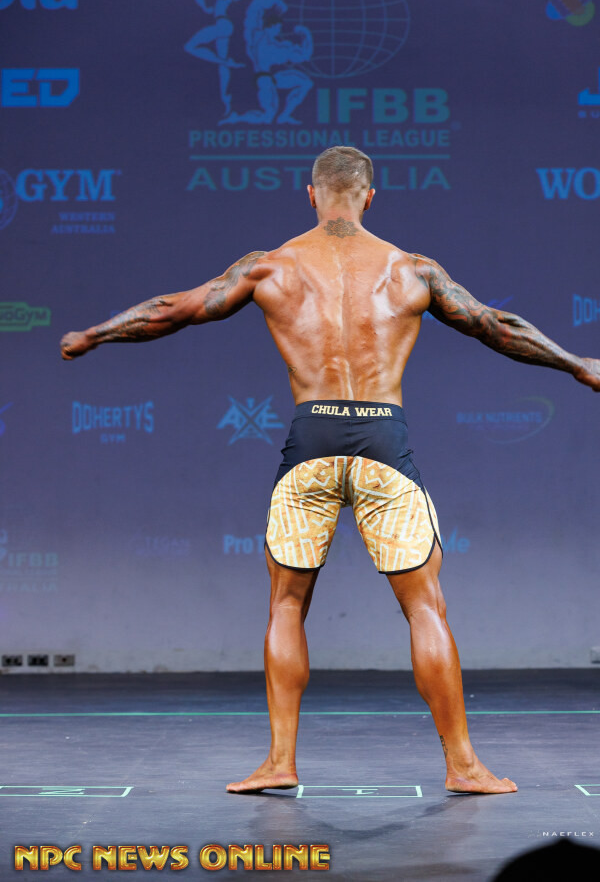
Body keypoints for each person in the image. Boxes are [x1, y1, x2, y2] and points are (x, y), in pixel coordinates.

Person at [60, 146, 600, 796]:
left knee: (286, 604)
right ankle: (463, 766)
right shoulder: (412, 270)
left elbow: (173, 308)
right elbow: (495, 326)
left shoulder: (270, 266)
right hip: (382, 441)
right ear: (370, 196)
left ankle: (278, 762)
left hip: (310, 440)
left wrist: (94, 334)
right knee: (425, 607)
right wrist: (577, 363)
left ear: (310, 193)